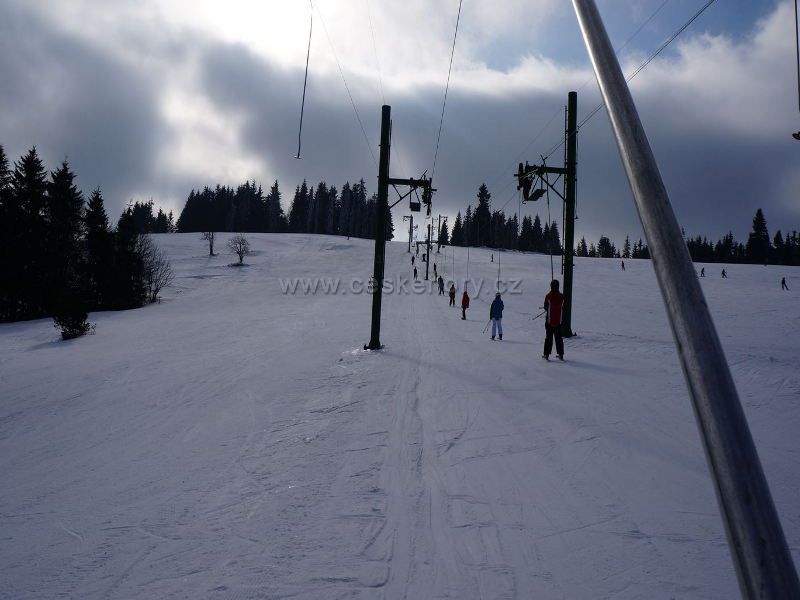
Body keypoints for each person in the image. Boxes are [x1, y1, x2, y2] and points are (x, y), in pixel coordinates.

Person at [542, 279, 565, 361]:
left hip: (549, 322)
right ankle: (561, 354)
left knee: (548, 338)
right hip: (559, 321)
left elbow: (545, 307)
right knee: (559, 338)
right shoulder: (562, 296)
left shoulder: (548, 296)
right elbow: (564, 307)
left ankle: (546, 354)